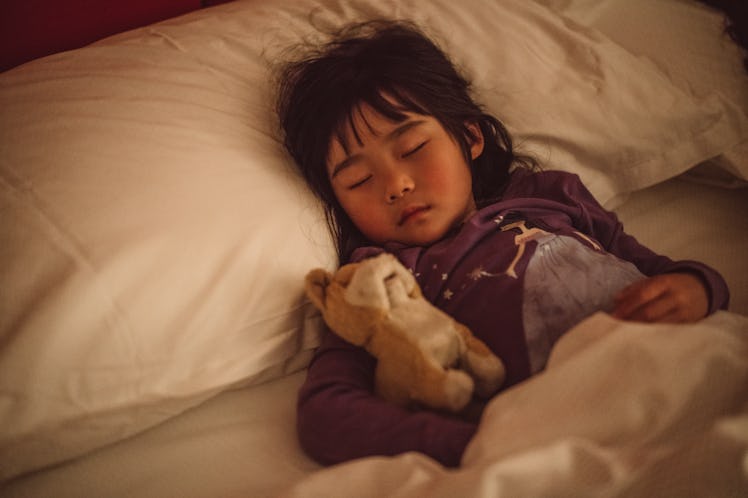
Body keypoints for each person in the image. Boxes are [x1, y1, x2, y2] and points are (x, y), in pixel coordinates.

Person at [275, 20, 730, 468]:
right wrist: (474, 440)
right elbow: (325, 415)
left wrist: (698, 287)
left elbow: (655, 268)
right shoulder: (376, 283)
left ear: (470, 138)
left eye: (412, 147)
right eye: (359, 179)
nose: (395, 185)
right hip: (569, 419)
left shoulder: (550, 195)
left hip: (678, 360)